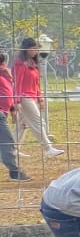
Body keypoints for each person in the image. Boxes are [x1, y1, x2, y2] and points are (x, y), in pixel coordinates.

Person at [12, 37, 64, 158]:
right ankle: (48, 148)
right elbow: (17, 83)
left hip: (32, 97)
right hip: (24, 97)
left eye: (37, 48)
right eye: (33, 48)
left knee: (22, 125)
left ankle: (12, 149)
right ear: (26, 49)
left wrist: (40, 98)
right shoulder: (20, 64)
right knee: (38, 122)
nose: (36, 51)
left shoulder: (33, 63)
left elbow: (36, 83)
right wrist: (17, 101)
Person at [0, 51, 30, 180]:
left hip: (4, 111)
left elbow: (8, 92)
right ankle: (14, 171)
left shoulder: (5, 73)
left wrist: (12, 108)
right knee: (7, 141)